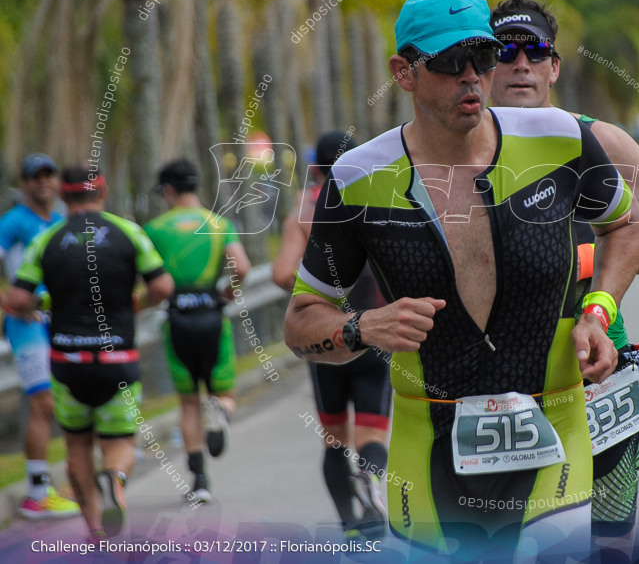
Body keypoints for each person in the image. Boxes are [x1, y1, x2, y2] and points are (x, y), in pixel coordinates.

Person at [284, 0, 639, 558]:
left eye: (482, 56)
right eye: (451, 62)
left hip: (555, 426)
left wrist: (599, 312)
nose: (472, 76)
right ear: (404, 73)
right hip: (427, 448)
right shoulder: (357, 179)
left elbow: (628, 225)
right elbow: (302, 320)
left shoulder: (560, 140)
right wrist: (360, 328)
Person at [488, 0, 639, 546]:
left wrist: (578, 267)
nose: (520, 63)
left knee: (603, 539)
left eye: (535, 51)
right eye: (505, 50)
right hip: (492, 379)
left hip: (595, 366)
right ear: (485, 62)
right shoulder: (454, 149)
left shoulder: (599, 140)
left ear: (554, 67)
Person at [6, 164, 173, 539]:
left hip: (67, 365)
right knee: (121, 443)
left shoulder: (46, 239)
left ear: (64, 196)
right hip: (119, 361)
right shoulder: (130, 232)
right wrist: (137, 304)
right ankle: (115, 478)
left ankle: (96, 529)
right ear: (104, 191)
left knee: (77, 444)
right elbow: (163, 286)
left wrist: (46, 301)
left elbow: (17, 298)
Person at [272, 132, 391, 538]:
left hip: (325, 338)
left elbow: (281, 274)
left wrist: (319, 288)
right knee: (374, 429)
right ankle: (371, 487)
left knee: (334, 439)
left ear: (317, 167)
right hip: (376, 332)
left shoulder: (304, 212)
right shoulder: (379, 199)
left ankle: (350, 523)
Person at [143, 159, 251, 503]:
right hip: (211, 315)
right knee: (225, 394)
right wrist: (228, 292)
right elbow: (242, 266)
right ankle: (220, 412)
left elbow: (148, 278)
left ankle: (200, 482)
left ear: (169, 190)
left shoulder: (155, 228)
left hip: (177, 319)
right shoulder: (218, 223)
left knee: (189, 403)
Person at [0, 153, 79, 520]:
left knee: (62, 401)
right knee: (43, 402)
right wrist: (10, 303)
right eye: (36, 177)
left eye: (50, 174)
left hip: (59, 321)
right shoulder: (13, 222)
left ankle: (57, 483)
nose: (44, 182)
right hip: (26, 325)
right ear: (26, 183)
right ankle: (36, 494)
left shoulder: (64, 220)